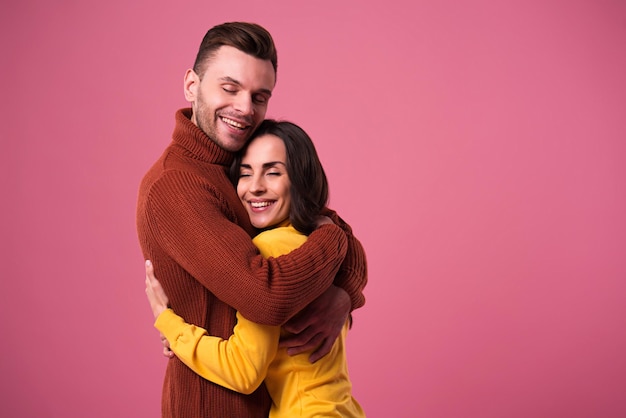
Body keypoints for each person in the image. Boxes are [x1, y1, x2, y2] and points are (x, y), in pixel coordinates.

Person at [136, 22, 367, 418]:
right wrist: (330, 241)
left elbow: (321, 225)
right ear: (192, 85)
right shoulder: (177, 185)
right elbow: (267, 296)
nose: (245, 108)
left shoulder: (239, 168)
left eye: (259, 96)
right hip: (214, 404)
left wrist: (343, 293)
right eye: (229, 88)